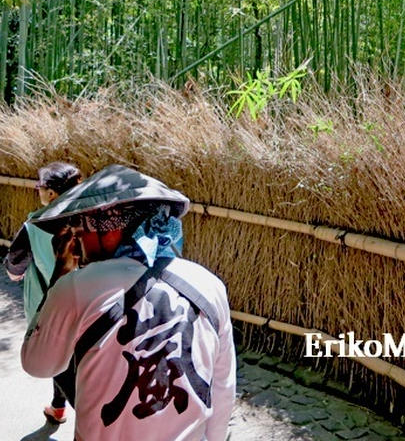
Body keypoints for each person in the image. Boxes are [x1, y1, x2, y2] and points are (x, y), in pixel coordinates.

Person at [20, 164, 236, 441]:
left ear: (110, 230)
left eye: (80, 229)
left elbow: (38, 364)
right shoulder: (208, 283)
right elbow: (222, 386)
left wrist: (61, 274)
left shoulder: (77, 287)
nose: (78, 241)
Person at [4, 161, 83, 426]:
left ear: (50, 193)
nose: (38, 191)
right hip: (91, 302)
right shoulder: (89, 219)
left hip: (51, 308)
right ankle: (57, 407)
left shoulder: (34, 226)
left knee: (58, 361)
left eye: (41, 187)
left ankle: (90, 421)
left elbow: (14, 268)